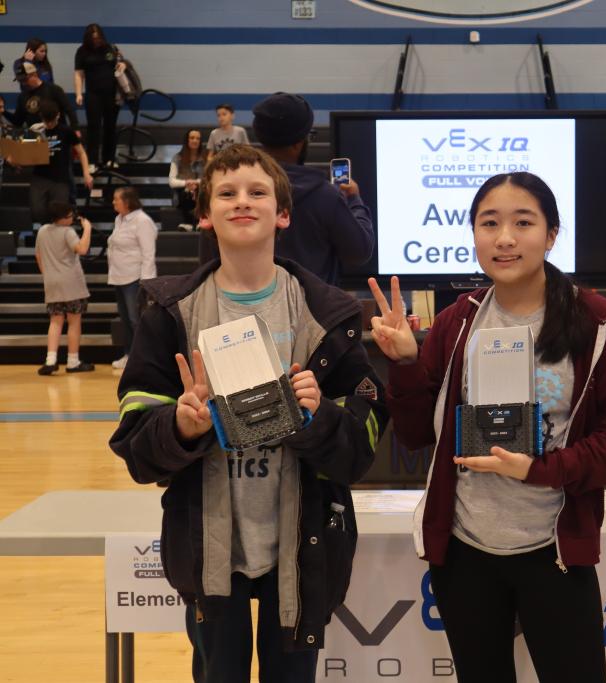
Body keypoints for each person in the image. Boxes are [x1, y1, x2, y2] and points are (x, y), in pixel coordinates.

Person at [108, 144, 388, 682]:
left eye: (258, 192)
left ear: (282, 213)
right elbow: (137, 446)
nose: (243, 201)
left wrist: (317, 418)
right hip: (208, 547)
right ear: (205, 215)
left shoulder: (328, 314)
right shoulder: (169, 314)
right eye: (227, 193)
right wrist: (181, 427)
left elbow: (361, 446)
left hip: (304, 545)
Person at [370, 171, 606, 683]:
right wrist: (407, 365)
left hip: (554, 548)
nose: (504, 238)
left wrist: (541, 470)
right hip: (464, 549)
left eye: (523, 222)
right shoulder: (459, 321)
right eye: (489, 223)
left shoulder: (599, 323)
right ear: (473, 234)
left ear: (550, 234)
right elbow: (415, 435)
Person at [251, 92, 374, 285]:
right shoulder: (325, 196)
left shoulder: (235, 193)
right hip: (313, 312)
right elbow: (359, 252)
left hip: (247, 312)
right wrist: (354, 200)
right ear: (298, 144)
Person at [34, 201, 96, 375]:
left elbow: (38, 255)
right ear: (63, 218)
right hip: (71, 283)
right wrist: (88, 229)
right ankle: (73, 360)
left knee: (55, 321)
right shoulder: (68, 232)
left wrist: (47, 274)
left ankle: (50, 359)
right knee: (74, 321)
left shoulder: (42, 230)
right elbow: (82, 249)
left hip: (51, 282)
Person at [107, 186, 157, 370]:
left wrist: (146, 282)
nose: (113, 202)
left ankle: (143, 357)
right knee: (126, 320)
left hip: (134, 278)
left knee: (136, 319)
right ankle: (129, 354)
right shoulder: (118, 219)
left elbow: (148, 253)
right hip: (118, 277)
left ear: (127, 202)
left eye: (116, 199)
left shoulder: (142, 221)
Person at [27, 101, 93, 224]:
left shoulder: (66, 131)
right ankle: (44, 233)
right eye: (47, 121)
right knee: (37, 210)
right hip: (40, 176)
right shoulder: (35, 129)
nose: (50, 124)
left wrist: (86, 173)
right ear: (42, 117)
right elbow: (24, 151)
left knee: (59, 212)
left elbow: (81, 152)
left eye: (52, 121)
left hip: (60, 178)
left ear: (58, 115)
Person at [74, 23, 121, 170]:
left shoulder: (110, 49)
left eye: (98, 38)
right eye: (93, 38)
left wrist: (123, 64)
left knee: (110, 127)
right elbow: (78, 74)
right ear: (88, 38)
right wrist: (78, 93)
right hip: (93, 95)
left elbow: (119, 64)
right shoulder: (82, 51)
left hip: (111, 94)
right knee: (94, 127)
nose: (96, 40)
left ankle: (109, 158)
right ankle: (92, 160)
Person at [5, 62, 79, 131]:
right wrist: (3, 112)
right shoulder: (22, 97)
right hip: (35, 137)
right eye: (20, 81)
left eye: (25, 80)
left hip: (56, 133)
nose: (23, 83)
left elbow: (69, 110)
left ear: (34, 74)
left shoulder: (53, 90)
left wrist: (75, 128)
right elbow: (18, 121)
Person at [168, 129, 205, 229]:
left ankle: (200, 221)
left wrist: (196, 183)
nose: (195, 140)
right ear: (187, 140)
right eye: (192, 138)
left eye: (198, 138)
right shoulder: (177, 158)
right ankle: (188, 223)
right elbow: (172, 182)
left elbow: (209, 179)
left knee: (199, 190)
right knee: (187, 191)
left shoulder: (205, 158)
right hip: (181, 192)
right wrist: (186, 183)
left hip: (201, 191)